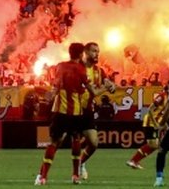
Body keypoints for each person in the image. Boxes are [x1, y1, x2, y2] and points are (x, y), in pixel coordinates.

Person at [35, 42, 93, 186]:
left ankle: (43, 177)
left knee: (54, 143)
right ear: (81, 54)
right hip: (75, 111)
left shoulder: (60, 66)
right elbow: (83, 90)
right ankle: (75, 175)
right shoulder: (81, 69)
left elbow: (56, 86)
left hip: (60, 110)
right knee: (76, 140)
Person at [76, 42, 116, 181]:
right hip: (71, 109)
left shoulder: (99, 71)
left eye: (98, 51)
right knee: (58, 142)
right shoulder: (77, 68)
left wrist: (111, 86)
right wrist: (107, 88)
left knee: (93, 143)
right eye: (94, 51)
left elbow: (108, 83)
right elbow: (95, 91)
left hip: (87, 110)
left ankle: (81, 163)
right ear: (85, 53)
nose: (97, 54)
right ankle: (42, 175)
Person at [127, 79, 169, 170]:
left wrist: (165, 125)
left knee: (154, 145)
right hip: (150, 121)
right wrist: (155, 123)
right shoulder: (162, 96)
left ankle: (135, 161)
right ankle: (133, 160)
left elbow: (162, 114)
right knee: (153, 145)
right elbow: (149, 109)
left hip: (156, 122)